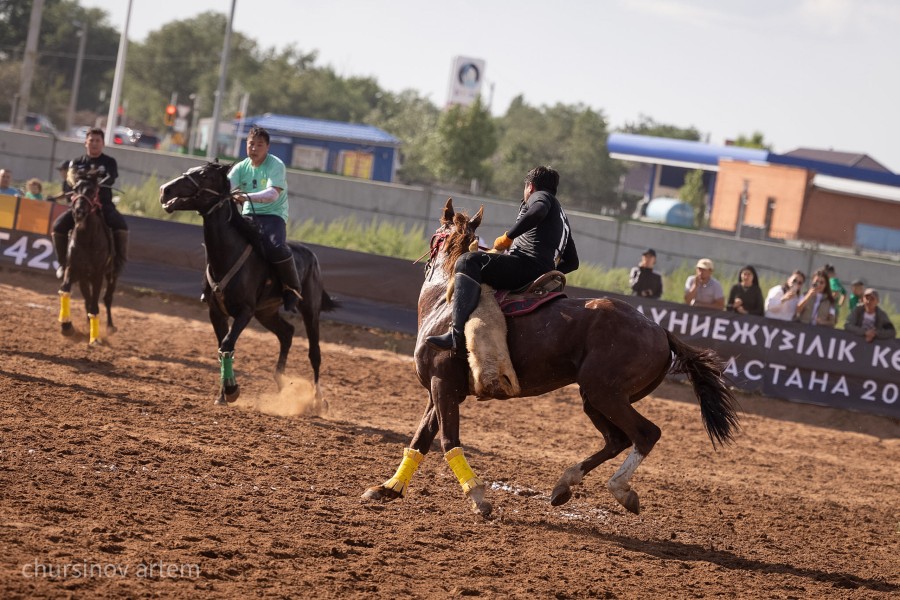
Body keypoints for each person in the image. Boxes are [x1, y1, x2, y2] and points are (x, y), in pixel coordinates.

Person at [426, 165, 579, 354]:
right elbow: (573, 262)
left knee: (467, 261)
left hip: (526, 267)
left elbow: (537, 211)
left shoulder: (541, 197)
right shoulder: (563, 217)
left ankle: (455, 335)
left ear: (530, 187)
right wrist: (547, 273)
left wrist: (508, 237)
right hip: (538, 270)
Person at [228, 125, 303, 319]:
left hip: (273, 215)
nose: (254, 148)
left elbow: (272, 194)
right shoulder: (240, 167)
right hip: (248, 215)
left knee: (276, 247)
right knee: (225, 242)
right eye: (251, 144)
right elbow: (227, 185)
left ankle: (291, 288)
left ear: (267, 147)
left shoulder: (275, 165)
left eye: (259, 145)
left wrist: (245, 196)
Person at [51, 128, 128, 278]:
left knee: (120, 224)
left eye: (97, 140)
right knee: (58, 226)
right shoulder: (77, 162)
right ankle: (62, 264)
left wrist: (96, 184)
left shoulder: (109, 162)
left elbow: (111, 177)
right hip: (81, 204)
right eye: (91, 140)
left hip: (103, 204)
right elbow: (71, 180)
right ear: (85, 142)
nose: (94, 143)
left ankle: (118, 264)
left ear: (103, 144)